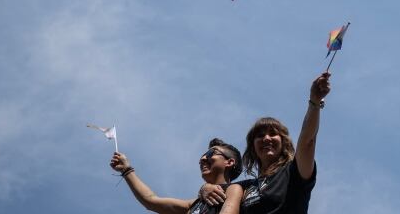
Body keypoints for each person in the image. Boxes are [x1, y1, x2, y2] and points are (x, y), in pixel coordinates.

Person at [201, 72, 331, 214]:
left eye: (273, 134)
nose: (266, 138)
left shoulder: (294, 171)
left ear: (284, 142)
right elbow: (218, 191)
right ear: (253, 147)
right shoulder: (245, 187)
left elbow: (308, 141)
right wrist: (204, 189)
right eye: (260, 136)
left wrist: (314, 102)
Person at [110, 138, 244, 214]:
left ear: (229, 162)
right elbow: (151, 201)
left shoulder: (240, 191)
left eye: (210, 154)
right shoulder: (192, 204)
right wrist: (127, 170)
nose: (203, 158)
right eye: (202, 156)